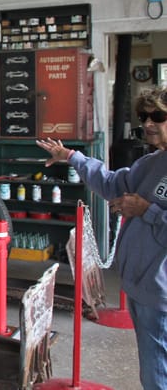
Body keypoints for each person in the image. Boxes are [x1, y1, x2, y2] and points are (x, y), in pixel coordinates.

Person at [36, 86, 167, 390]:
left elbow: (146, 211)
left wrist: (145, 210)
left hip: (160, 293)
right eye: (143, 116)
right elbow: (112, 184)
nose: (147, 124)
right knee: (153, 367)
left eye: (157, 116)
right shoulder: (151, 163)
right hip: (141, 287)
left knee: (157, 373)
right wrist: (70, 156)